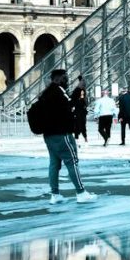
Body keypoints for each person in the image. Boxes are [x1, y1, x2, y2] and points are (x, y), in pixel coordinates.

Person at [37, 69, 96, 204]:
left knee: (54, 164)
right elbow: (69, 105)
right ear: (58, 79)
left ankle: (55, 194)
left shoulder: (45, 93)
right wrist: (78, 89)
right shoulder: (58, 91)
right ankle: (81, 193)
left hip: (49, 135)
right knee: (72, 162)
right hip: (62, 134)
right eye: (65, 78)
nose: (67, 80)